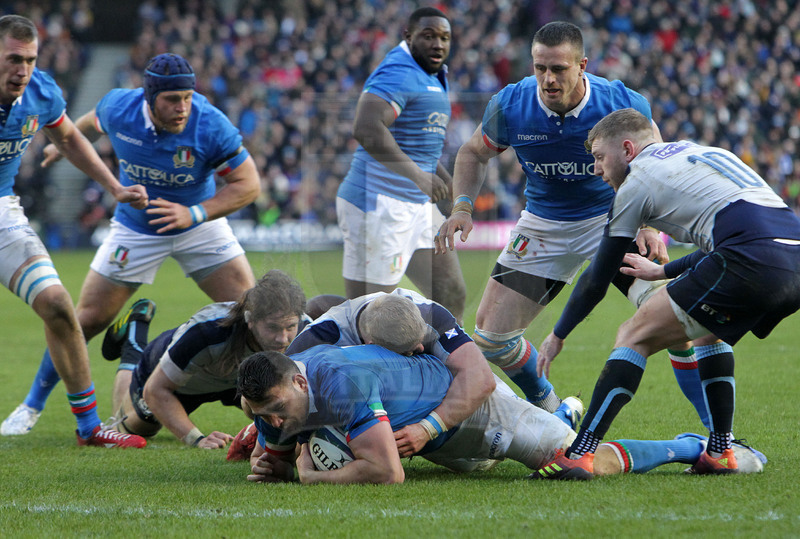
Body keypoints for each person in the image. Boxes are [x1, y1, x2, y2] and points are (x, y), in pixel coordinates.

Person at [434, 21, 705, 418]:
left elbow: (656, 167)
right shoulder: (512, 105)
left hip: (615, 219)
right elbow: (473, 153)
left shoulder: (620, 103)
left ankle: (720, 437)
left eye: (559, 68)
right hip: (545, 227)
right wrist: (461, 206)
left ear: (583, 66)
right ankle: (551, 409)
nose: (548, 78)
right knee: (492, 338)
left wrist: (650, 225)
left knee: (675, 318)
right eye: (540, 67)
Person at [530, 108, 800, 479]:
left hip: (749, 258)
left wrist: (558, 335)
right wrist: (663, 271)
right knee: (708, 332)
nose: (596, 169)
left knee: (633, 335)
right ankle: (720, 452)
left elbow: (598, 275)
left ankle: (579, 455)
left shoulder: (639, 179)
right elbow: (730, 234)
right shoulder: (706, 154)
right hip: (792, 259)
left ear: (627, 149)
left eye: (598, 157)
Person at [2, 52, 260, 436]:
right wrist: (64, 145)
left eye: (187, 98)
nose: (182, 108)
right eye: (172, 100)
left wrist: (195, 214)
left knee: (253, 317)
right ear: (148, 97)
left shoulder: (211, 125)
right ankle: (31, 406)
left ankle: (267, 414)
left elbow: (249, 184)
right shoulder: (120, 106)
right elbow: (87, 123)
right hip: (135, 229)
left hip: (198, 225)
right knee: (82, 319)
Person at [236, 345, 764, 485]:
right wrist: (273, 461)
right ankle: (561, 410)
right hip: (443, 447)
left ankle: (694, 444)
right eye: (263, 415)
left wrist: (305, 475)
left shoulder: (339, 385)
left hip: (479, 415)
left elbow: (386, 473)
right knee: (475, 466)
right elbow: (272, 454)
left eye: (279, 411)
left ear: (300, 381)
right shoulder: (271, 397)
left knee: (574, 464)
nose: (274, 424)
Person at [0, 15, 148, 447]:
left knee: (58, 304)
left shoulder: (41, 91)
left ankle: (88, 428)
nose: (22, 70)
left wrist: (114, 186)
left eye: (29, 60)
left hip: (2, 213)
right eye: (12, 59)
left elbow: (67, 139)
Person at [336, 6, 466, 321]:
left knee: (450, 294)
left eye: (444, 37)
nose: (438, 44)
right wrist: (419, 178)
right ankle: (311, 332)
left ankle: (446, 368)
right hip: (379, 203)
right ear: (408, 37)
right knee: (369, 314)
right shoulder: (399, 71)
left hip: (416, 205)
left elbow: (418, 145)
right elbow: (366, 128)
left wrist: (446, 180)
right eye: (429, 36)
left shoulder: (432, 74)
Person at [102, 270, 307, 449]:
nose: (283, 338)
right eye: (272, 328)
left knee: (275, 399)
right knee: (136, 429)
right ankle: (134, 335)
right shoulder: (206, 332)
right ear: (250, 319)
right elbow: (155, 390)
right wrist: (197, 439)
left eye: (290, 327)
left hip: (236, 382)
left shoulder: (308, 331)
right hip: (181, 383)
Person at [287, 290, 497, 457]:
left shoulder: (429, 314)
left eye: (419, 342)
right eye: (409, 352)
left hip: (458, 407)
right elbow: (274, 394)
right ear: (371, 346)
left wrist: (427, 428)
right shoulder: (312, 344)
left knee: (517, 434)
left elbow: (481, 378)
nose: (421, 350)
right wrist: (293, 447)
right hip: (405, 430)